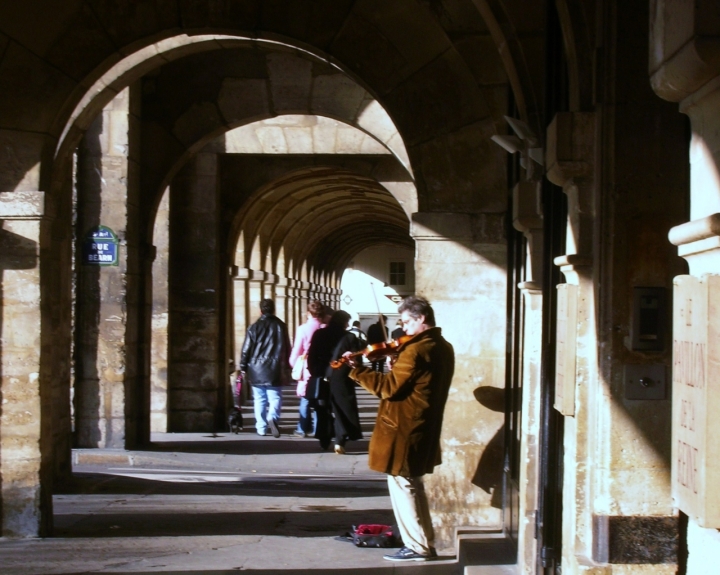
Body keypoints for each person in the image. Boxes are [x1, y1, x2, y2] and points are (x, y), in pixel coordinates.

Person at [345, 296, 454, 562]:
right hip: (421, 425)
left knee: (405, 486)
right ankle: (422, 542)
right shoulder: (442, 346)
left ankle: (417, 546)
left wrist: (357, 370)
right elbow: (413, 382)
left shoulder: (415, 351)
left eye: (406, 322)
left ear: (421, 319)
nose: (403, 329)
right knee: (412, 484)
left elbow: (387, 388)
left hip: (404, 428)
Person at [307, 309, 363, 452]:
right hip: (341, 376)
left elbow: (311, 355)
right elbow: (357, 360)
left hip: (322, 373)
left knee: (322, 408)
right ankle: (340, 440)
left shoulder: (319, 334)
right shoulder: (350, 337)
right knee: (342, 408)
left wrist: (314, 371)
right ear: (345, 322)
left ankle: (324, 439)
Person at [239, 298, 291, 437]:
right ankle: (272, 417)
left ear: (261, 310)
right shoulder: (281, 326)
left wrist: (243, 366)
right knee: (275, 397)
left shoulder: (254, 327)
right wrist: (287, 365)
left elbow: (246, 349)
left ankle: (261, 428)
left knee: (259, 399)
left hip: (256, 368)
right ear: (273, 310)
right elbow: (287, 347)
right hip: (275, 368)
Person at [289, 300, 325, 437]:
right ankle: (317, 428)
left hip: (306, 366)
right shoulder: (324, 327)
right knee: (319, 398)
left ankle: (302, 428)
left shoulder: (303, 329)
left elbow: (296, 350)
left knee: (305, 398)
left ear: (309, 313)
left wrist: (294, 363)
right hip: (322, 365)